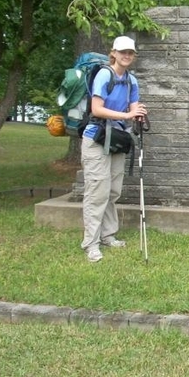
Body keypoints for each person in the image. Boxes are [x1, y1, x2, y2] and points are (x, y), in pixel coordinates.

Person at [80, 36, 148, 263]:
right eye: (122, 52)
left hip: (116, 138)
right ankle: (91, 243)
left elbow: (133, 108)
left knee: (112, 191)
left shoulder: (131, 81)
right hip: (96, 138)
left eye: (130, 52)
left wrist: (138, 114)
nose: (126, 56)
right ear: (114, 53)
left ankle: (108, 235)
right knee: (97, 191)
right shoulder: (104, 75)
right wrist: (127, 115)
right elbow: (97, 109)